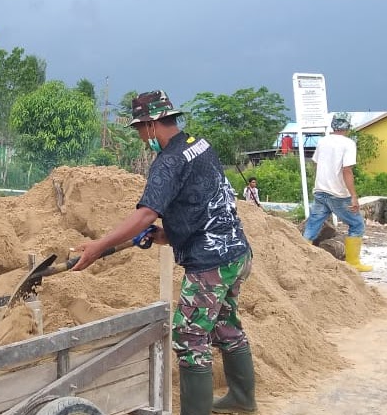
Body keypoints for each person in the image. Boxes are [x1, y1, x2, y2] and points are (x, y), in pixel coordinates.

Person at [71, 90, 254, 415]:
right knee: (226, 324)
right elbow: (201, 208)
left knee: (189, 336)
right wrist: (163, 236)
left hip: (210, 262)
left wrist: (99, 247)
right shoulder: (200, 145)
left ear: (152, 125)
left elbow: (144, 214)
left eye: (141, 130)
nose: (142, 138)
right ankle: (242, 398)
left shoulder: (168, 162)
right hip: (236, 252)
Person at [303, 113, 372, 272]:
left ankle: (301, 258)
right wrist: (353, 195)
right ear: (347, 126)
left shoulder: (323, 141)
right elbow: (347, 170)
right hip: (338, 194)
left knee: (313, 225)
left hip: (320, 191)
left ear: (333, 125)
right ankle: (353, 263)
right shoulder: (348, 144)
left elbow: (316, 163)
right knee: (357, 224)